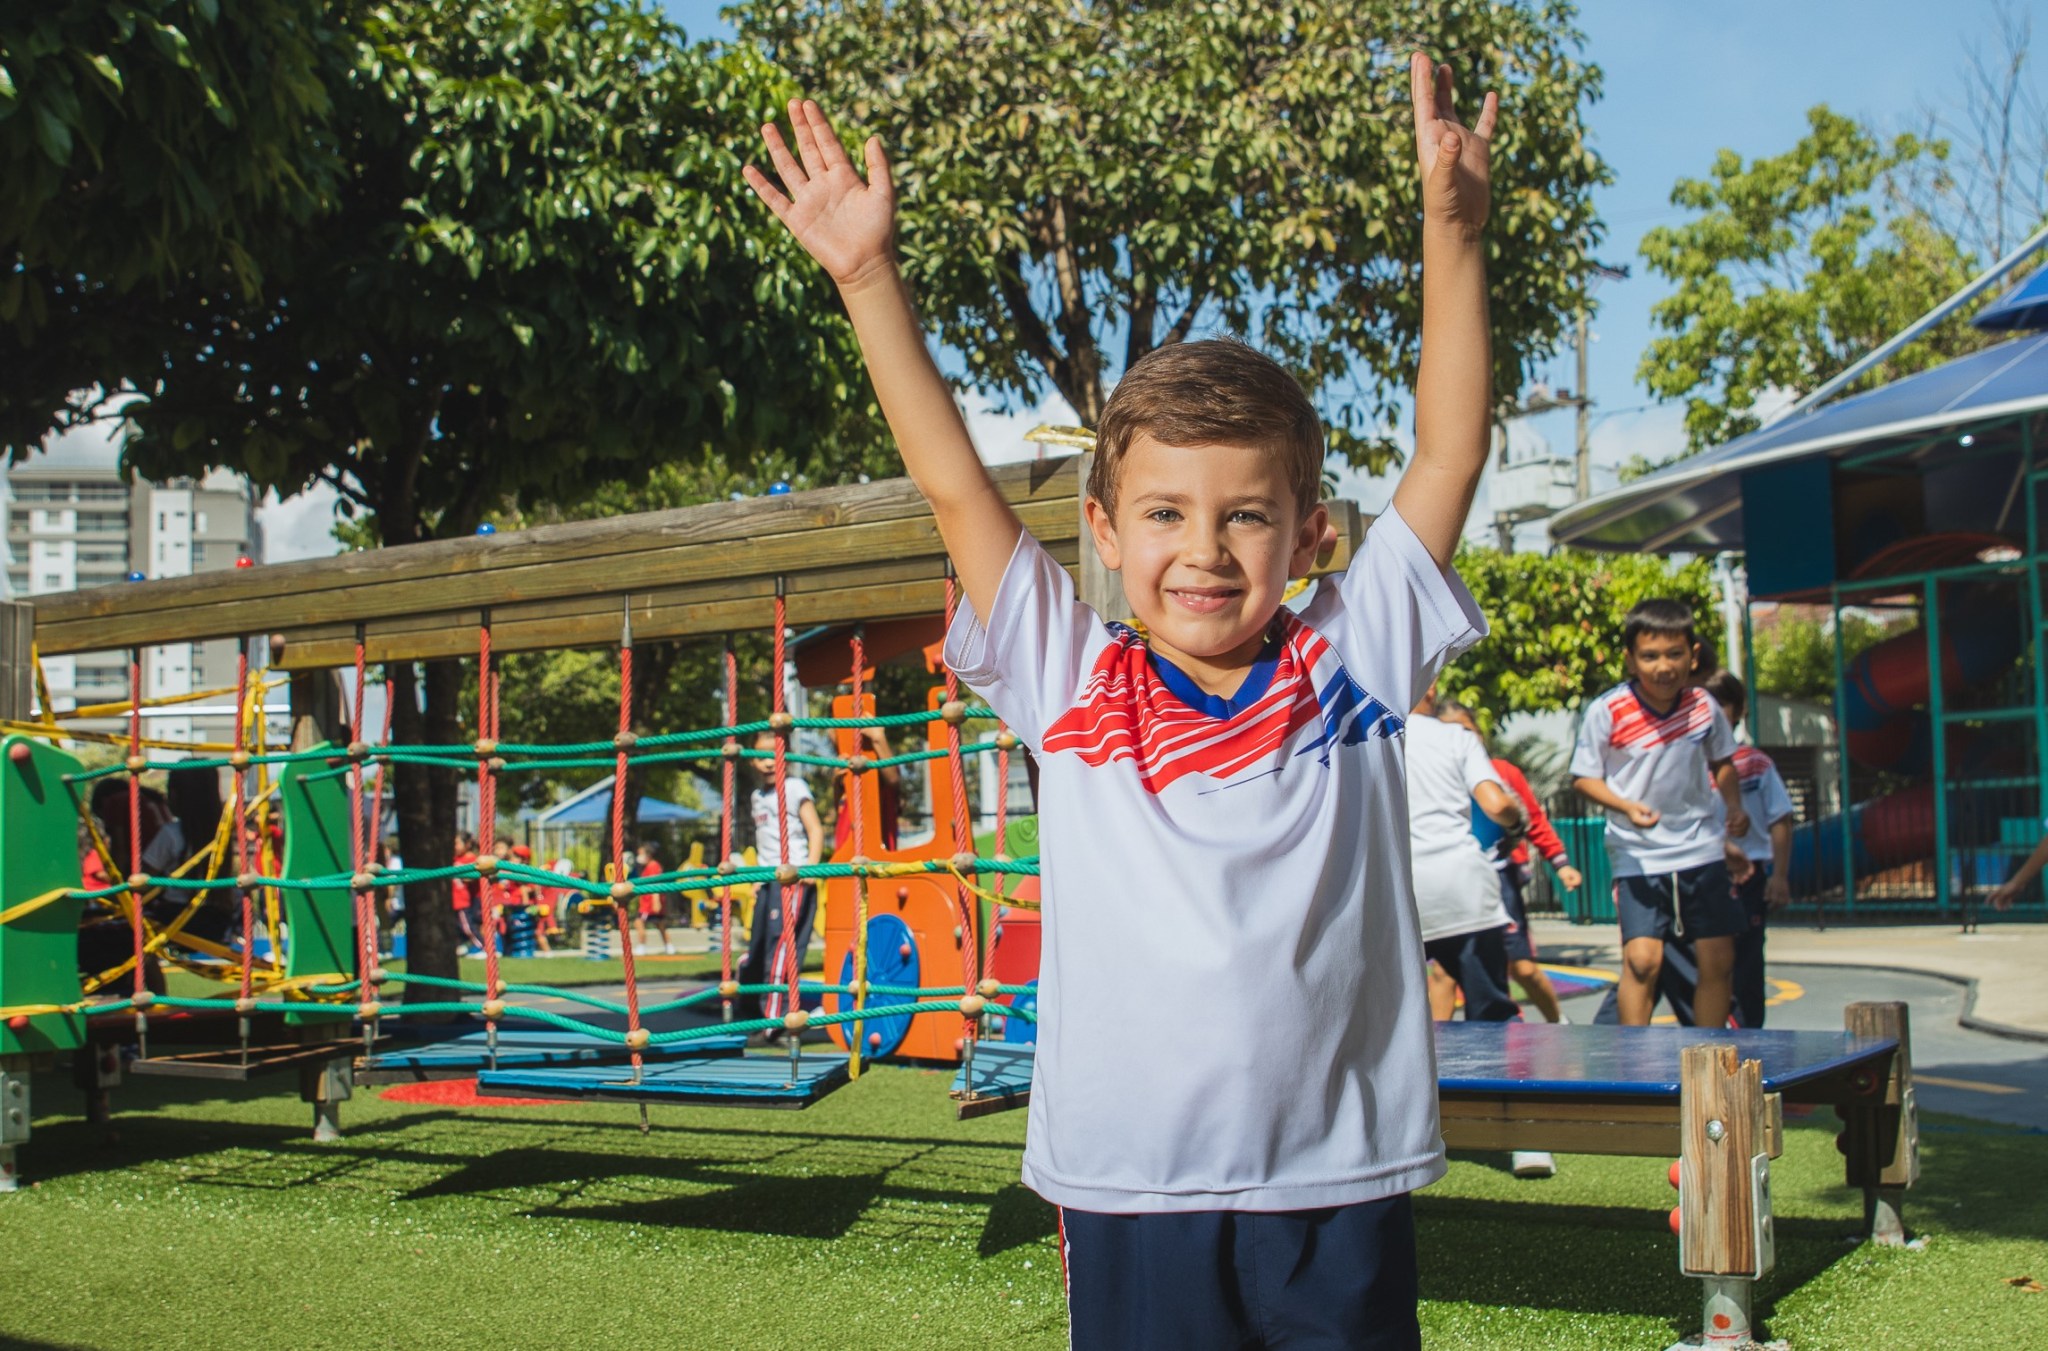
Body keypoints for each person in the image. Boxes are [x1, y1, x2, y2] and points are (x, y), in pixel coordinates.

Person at [745, 51, 1498, 1347]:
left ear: (1311, 531)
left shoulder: (1354, 658)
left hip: (1335, 1180)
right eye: (1163, 512)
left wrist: (1453, 232)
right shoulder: (1070, 670)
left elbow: (1448, 448)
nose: (1203, 548)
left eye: (1244, 514)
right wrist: (868, 279)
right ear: (1102, 527)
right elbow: (951, 484)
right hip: (1135, 1187)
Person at [1570, 600, 1750, 1029]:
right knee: (1642, 960)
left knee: (1719, 959)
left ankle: (1709, 1054)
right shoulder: (1608, 710)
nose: (1663, 667)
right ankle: (1634, 1066)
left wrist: (1735, 806)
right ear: (1630, 660)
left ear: (1693, 655)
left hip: (1700, 850)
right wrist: (1626, 806)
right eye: (1650, 656)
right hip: (1638, 853)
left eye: (1674, 654)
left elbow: (1722, 762)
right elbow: (1583, 778)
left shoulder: (1704, 706)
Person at [1435, 699, 1582, 1024]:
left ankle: (1558, 1021)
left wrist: (1561, 864)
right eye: (1449, 730)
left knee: (1522, 967)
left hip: (1500, 878)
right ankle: (1436, 1052)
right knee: (1443, 973)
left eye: (1466, 730)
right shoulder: (1436, 771)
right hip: (1457, 881)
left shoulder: (1501, 772)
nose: (1459, 736)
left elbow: (1533, 819)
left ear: (1479, 733)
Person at [1406, 686, 1523, 1026]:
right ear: (1430, 686)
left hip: (1401, 893)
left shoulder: (1368, 734)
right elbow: (1497, 804)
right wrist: (1516, 826)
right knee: (1491, 1015)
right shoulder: (1456, 737)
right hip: (1465, 888)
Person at [737, 730, 826, 1029]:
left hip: (794, 875)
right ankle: (750, 1009)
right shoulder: (757, 796)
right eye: (760, 756)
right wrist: (756, 880)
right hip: (768, 878)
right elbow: (766, 842)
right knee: (759, 944)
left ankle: (774, 1018)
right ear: (752, 761)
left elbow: (815, 829)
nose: (767, 762)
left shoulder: (794, 786)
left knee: (782, 945)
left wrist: (811, 868)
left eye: (772, 754)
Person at [629, 841, 675, 956]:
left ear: (648, 854)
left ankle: (642, 946)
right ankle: (669, 946)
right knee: (660, 925)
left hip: (649, 904)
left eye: (641, 853)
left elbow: (656, 884)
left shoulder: (653, 866)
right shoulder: (648, 867)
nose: (639, 856)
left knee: (639, 922)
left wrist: (656, 901)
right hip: (647, 901)